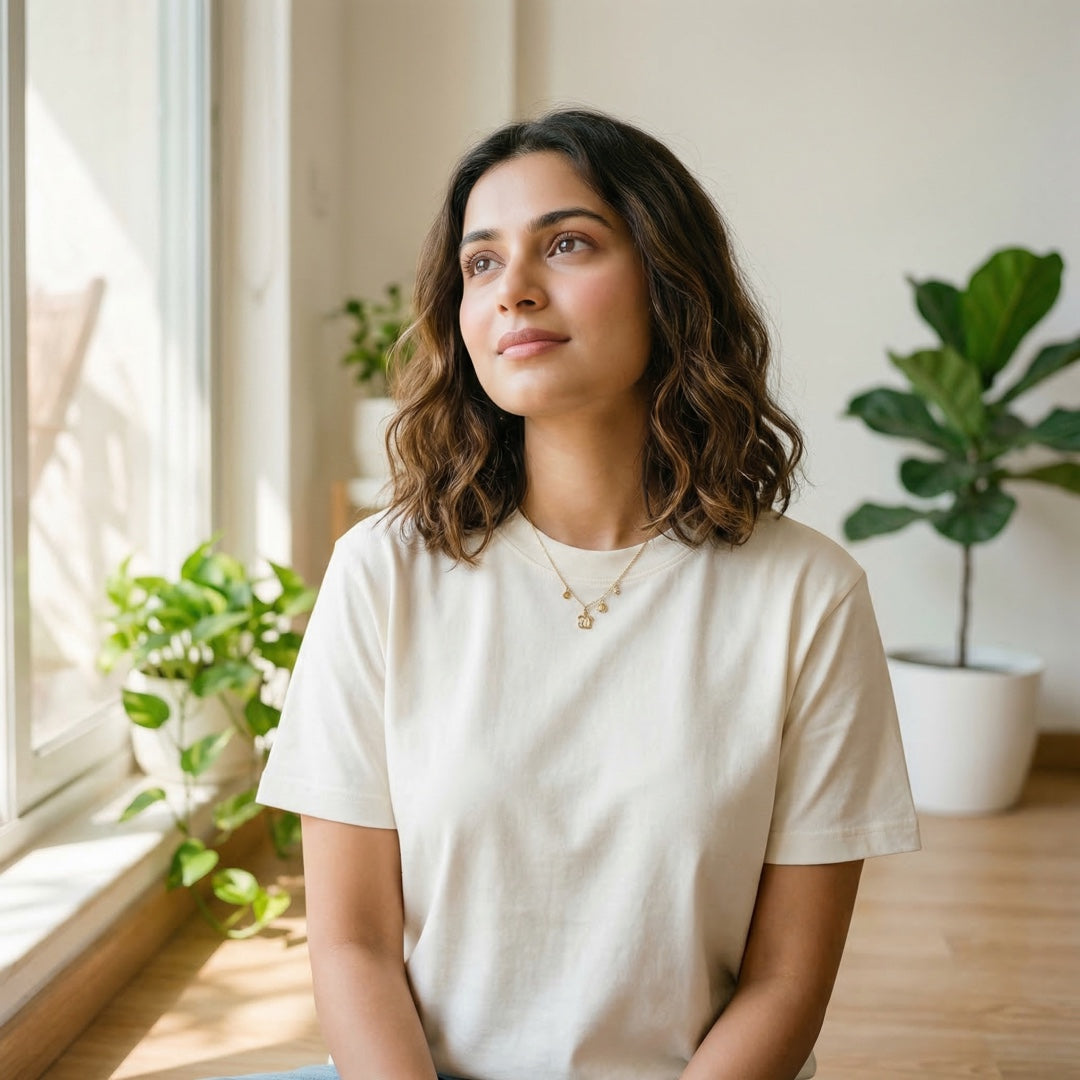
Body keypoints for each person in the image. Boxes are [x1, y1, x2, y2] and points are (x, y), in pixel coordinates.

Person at [223, 108, 920, 1080]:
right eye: (480, 263)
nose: (514, 290)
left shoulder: (809, 596)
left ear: (668, 279)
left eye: (566, 243)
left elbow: (786, 984)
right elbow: (352, 945)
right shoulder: (380, 573)